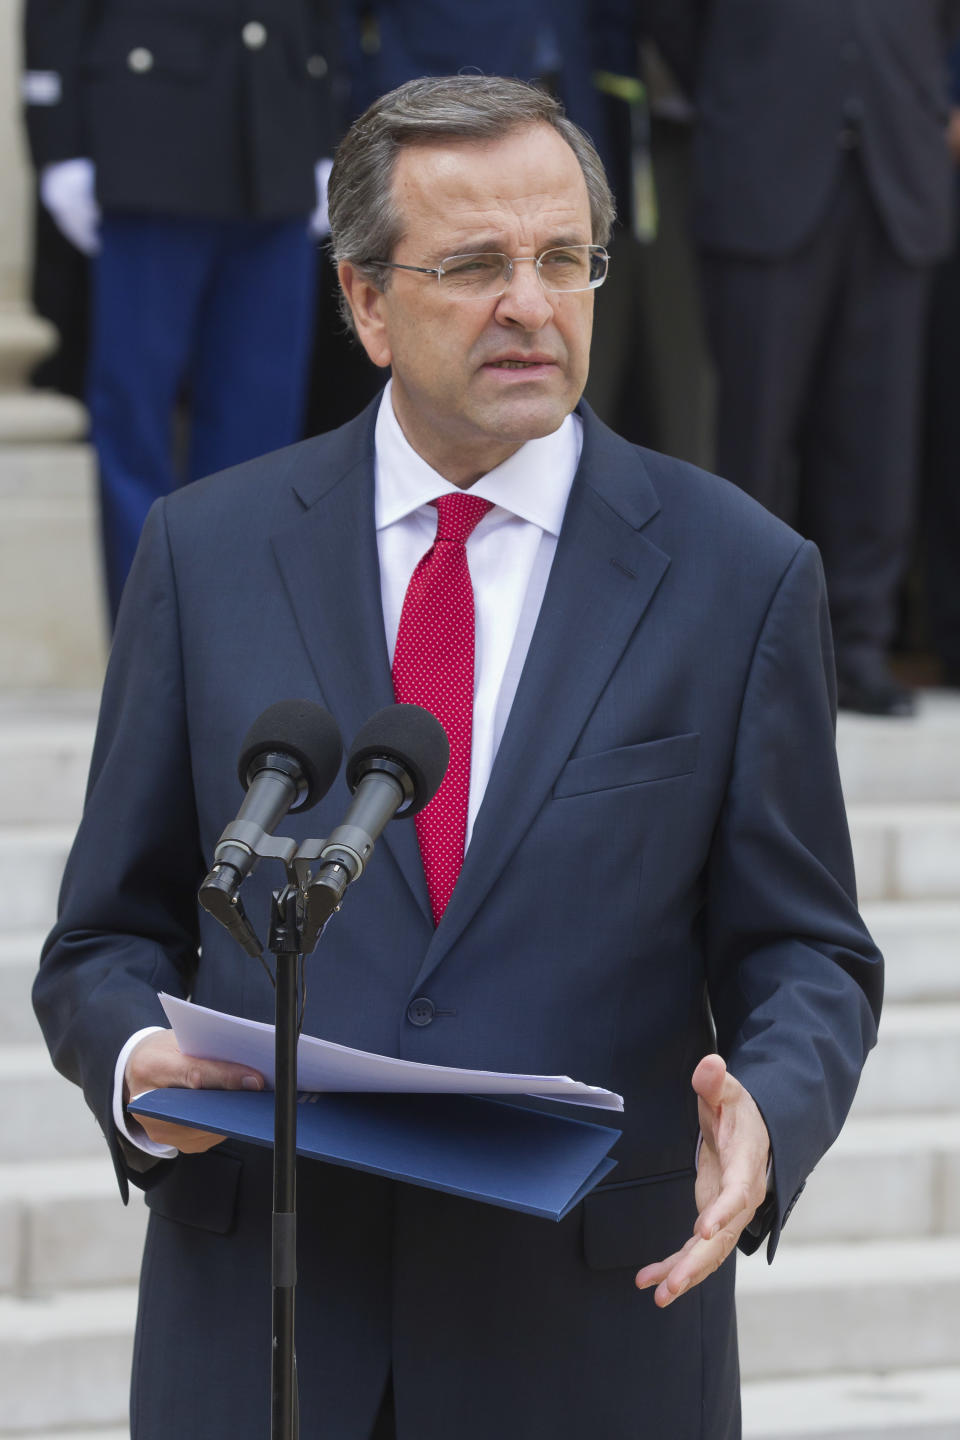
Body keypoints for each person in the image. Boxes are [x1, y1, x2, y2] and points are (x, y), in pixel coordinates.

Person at [35, 76, 882, 1440]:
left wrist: (774, 1112)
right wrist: (138, 1063)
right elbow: (104, 938)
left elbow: (806, 950)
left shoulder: (740, 575)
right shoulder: (207, 554)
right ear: (365, 302)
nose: (533, 307)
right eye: (477, 265)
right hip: (266, 1327)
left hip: (589, 1338)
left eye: (564, 260)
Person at [668, 0, 960, 716]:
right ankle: (751, 649)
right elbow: (672, 22)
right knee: (756, 435)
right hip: (763, 164)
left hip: (896, 171)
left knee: (878, 437)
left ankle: (859, 647)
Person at [22, 0, 341, 622]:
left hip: (276, 138)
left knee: (260, 428)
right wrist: (57, 139)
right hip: (146, 142)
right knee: (136, 421)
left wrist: (329, 132)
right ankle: (151, 646)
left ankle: (235, 636)